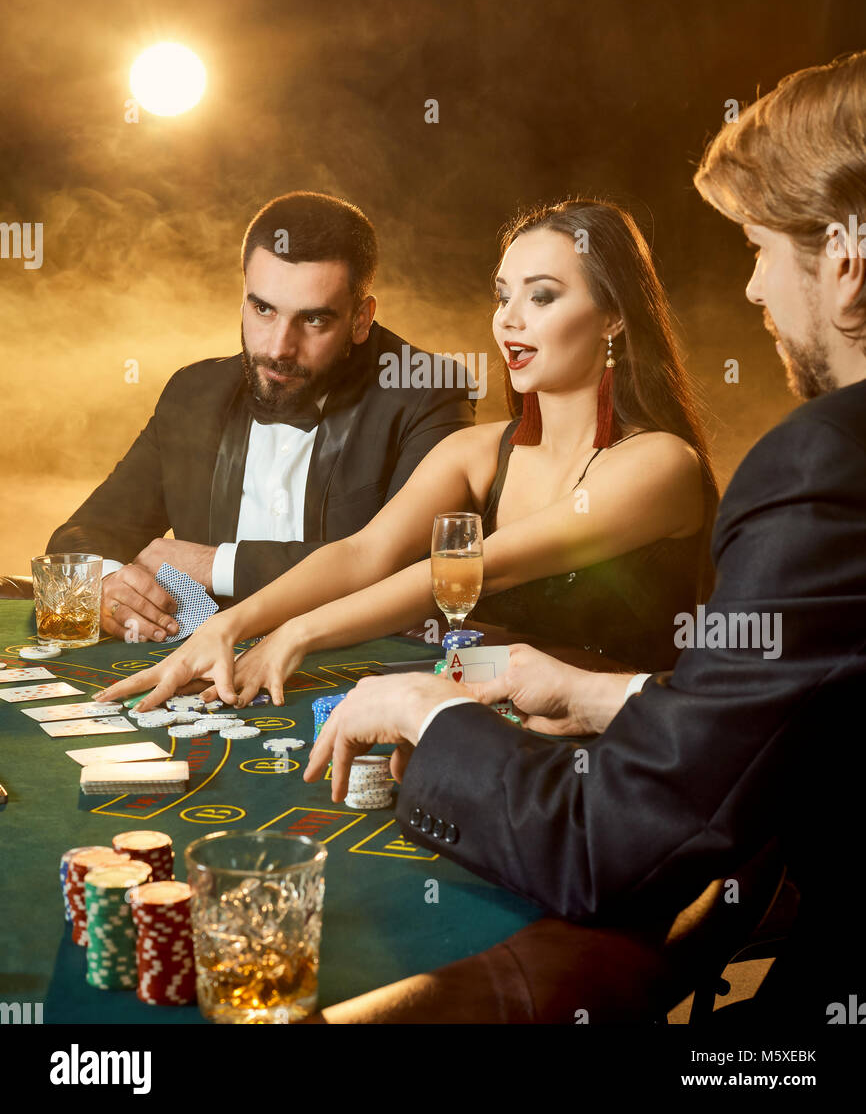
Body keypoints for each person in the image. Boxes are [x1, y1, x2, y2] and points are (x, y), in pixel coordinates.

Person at [303, 51, 866, 1023]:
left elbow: (607, 846)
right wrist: (603, 691)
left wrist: (427, 714)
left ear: (846, 258)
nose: (750, 290)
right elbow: (823, 711)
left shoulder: (819, 468)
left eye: (758, 249)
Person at [98, 198, 717, 712]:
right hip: (492, 725)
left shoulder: (659, 464)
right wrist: (226, 628)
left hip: (624, 748)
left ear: (612, 315)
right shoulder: (476, 452)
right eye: (504, 296)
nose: (509, 321)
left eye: (543, 297)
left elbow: (471, 571)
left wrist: (297, 634)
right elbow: (365, 553)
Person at [48, 192, 475, 642]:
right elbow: (84, 535)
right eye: (263, 309)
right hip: (207, 671)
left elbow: (415, 573)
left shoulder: (428, 392)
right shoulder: (193, 394)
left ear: (361, 319)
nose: (277, 348)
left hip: (362, 677)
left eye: (312, 320)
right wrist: (107, 585)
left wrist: (217, 566)